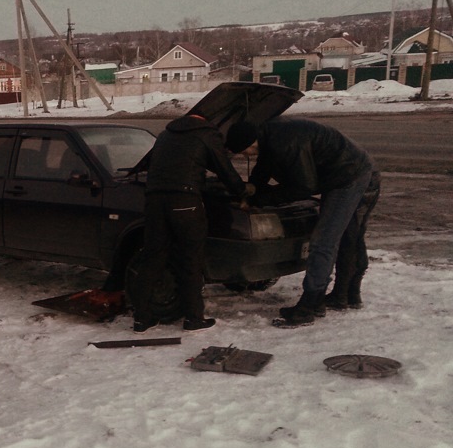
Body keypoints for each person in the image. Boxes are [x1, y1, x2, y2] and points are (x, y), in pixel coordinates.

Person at [225, 118, 380, 327]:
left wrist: (262, 198)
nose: (245, 156)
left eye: (244, 152)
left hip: (349, 176)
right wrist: (252, 187)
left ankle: (309, 306)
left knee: (323, 241)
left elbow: (303, 187)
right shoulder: (270, 134)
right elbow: (264, 166)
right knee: (348, 235)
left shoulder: (286, 143)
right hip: (349, 169)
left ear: (251, 143)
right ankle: (345, 295)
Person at [131, 113, 254, 332]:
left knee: (152, 257)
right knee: (191, 257)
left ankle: (141, 319)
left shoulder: (165, 135)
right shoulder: (206, 135)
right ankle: (194, 318)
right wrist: (243, 191)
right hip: (185, 202)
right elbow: (224, 168)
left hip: (154, 201)